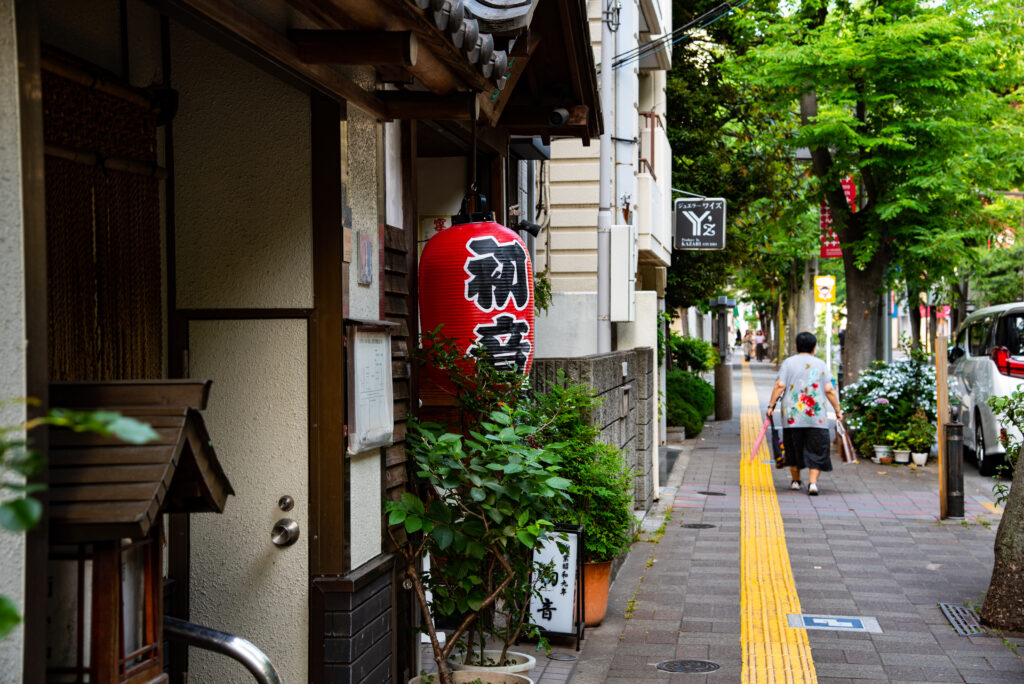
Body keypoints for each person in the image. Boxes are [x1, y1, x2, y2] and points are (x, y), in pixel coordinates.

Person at [766, 331, 844, 496]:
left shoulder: (788, 363)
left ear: (796, 346)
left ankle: (795, 481)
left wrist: (771, 406)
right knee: (817, 448)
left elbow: (780, 385)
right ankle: (813, 483)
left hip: (792, 416)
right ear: (814, 347)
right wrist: (837, 410)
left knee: (793, 448)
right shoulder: (820, 364)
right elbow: (829, 389)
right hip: (816, 416)